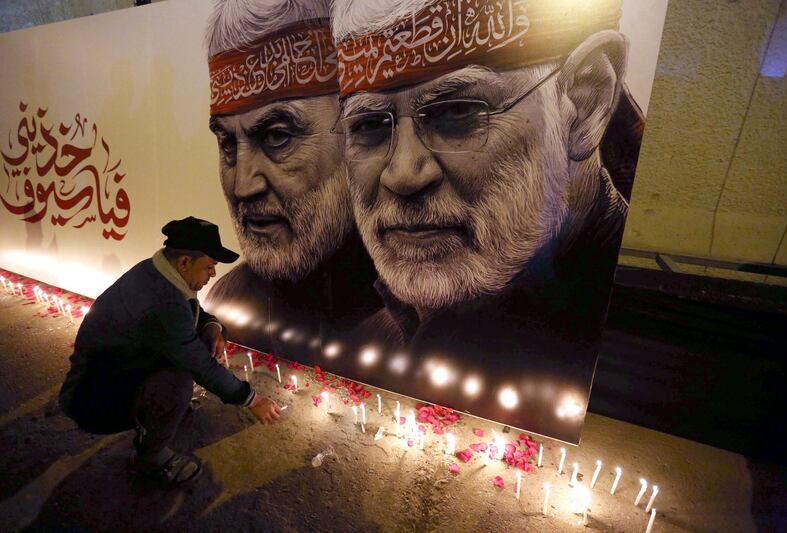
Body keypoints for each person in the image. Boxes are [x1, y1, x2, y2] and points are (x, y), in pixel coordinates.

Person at [330, 0, 643, 443]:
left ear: (585, 101)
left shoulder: (633, 367)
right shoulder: (373, 339)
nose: (402, 174)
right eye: (368, 126)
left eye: (458, 112)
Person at [203, 0, 381, 360]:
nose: (243, 186)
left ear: (357, 130)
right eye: (227, 143)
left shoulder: (418, 321)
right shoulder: (231, 300)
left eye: (277, 136)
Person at [59, 216, 282, 487]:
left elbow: (188, 309)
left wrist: (211, 324)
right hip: (94, 399)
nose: (212, 274)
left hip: (113, 371)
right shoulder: (161, 302)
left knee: (190, 352)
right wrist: (253, 400)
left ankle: (156, 410)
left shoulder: (158, 271)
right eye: (209, 267)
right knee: (178, 382)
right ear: (185, 262)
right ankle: (150, 459)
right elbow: (200, 365)